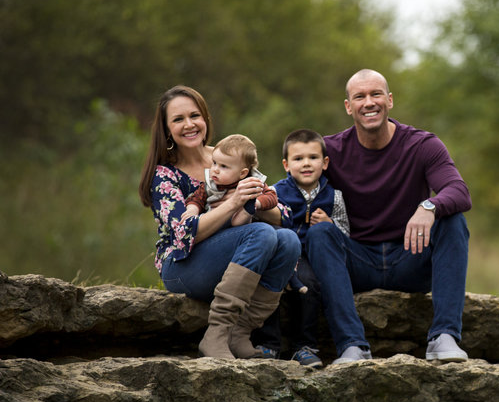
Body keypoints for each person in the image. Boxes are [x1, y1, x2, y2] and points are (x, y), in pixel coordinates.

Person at [307, 69, 472, 364]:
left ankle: (443, 337)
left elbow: (459, 191)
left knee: (453, 219)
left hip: (411, 258)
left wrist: (429, 207)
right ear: (348, 106)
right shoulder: (329, 150)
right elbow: (290, 189)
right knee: (320, 234)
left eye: (376, 94)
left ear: (390, 100)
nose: (369, 102)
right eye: (360, 97)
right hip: (357, 262)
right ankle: (352, 346)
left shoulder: (422, 145)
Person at [138, 85, 301, 359]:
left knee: (288, 240)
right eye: (178, 119)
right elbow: (184, 235)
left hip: (236, 258)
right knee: (261, 234)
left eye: (195, 115)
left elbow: (284, 215)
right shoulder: (164, 175)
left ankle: (239, 333)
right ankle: (216, 336)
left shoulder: (228, 155)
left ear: (205, 119)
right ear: (167, 130)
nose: (189, 124)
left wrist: (255, 203)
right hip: (183, 266)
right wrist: (234, 203)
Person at [253, 128, 351, 368]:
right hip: (281, 256)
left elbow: (345, 234)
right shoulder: (275, 193)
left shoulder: (334, 196)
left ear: (325, 163)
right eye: (298, 159)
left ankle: (304, 346)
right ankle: (268, 344)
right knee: (267, 281)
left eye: (313, 158)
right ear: (286, 164)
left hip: (312, 259)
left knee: (310, 284)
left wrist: (330, 225)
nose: (306, 164)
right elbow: (260, 225)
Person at [181, 134, 278, 225]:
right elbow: (196, 199)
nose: (215, 170)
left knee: (286, 234)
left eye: (223, 166)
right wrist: (192, 209)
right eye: (214, 163)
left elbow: (272, 196)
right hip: (217, 225)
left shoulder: (252, 182)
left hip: (246, 223)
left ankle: (244, 213)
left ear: (242, 173)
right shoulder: (210, 185)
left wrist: (256, 203)